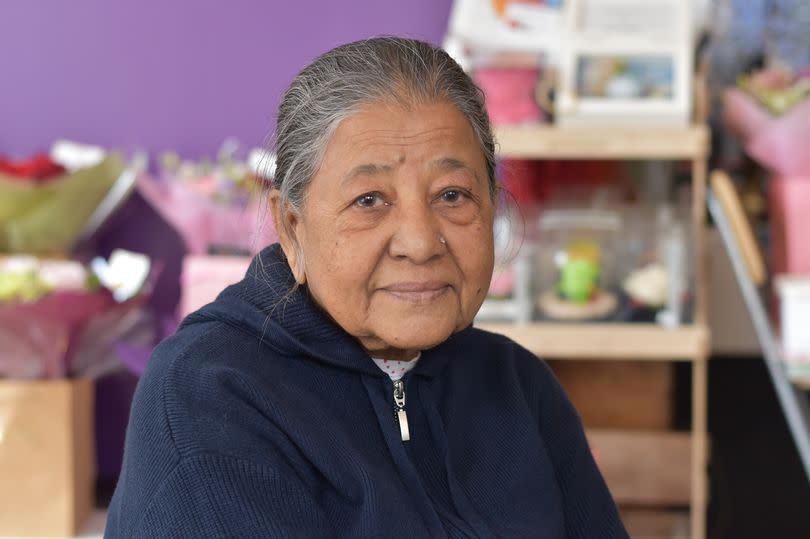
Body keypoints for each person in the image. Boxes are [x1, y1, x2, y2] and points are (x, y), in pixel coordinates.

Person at [105, 37, 627, 538]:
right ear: (292, 227)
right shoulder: (209, 393)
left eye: (452, 194)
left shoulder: (517, 386)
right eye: (370, 200)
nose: (421, 243)